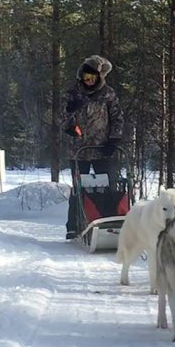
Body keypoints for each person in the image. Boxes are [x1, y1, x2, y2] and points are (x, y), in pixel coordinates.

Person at [63, 54, 124, 239]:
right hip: (78, 150)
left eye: (92, 78)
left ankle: (109, 222)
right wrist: (69, 117)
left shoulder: (108, 94)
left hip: (103, 149)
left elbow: (117, 118)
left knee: (109, 186)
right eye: (85, 78)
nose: (88, 81)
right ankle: (74, 226)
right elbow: (59, 119)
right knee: (78, 188)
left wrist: (114, 140)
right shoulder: (72, 93)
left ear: (99, 77)